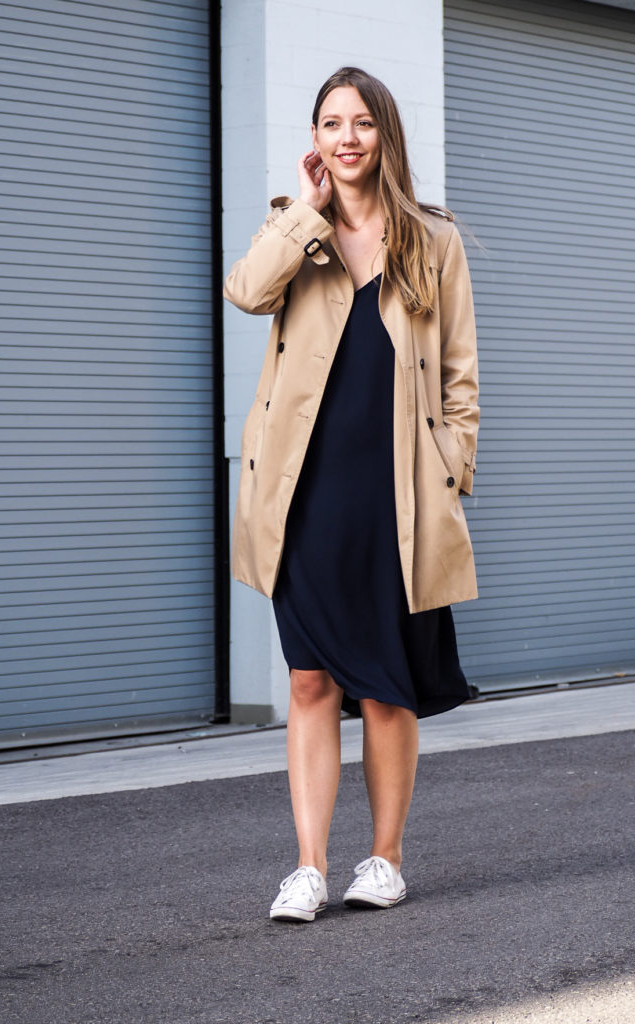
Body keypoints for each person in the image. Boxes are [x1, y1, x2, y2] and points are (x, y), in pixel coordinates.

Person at [223, 67, 480, 923]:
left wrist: (452, 471)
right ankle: (306, 866)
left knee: (385, 687)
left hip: (400, 497)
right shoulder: (297, 233)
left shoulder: (432, 241)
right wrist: (303, 211)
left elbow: (459, 378)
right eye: (330, 123)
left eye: (361, 122)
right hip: (305, 495)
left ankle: (385, 857)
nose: (346, 137)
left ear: (385, 135)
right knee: (308, 682)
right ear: (316, 140)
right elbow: (246, 291)